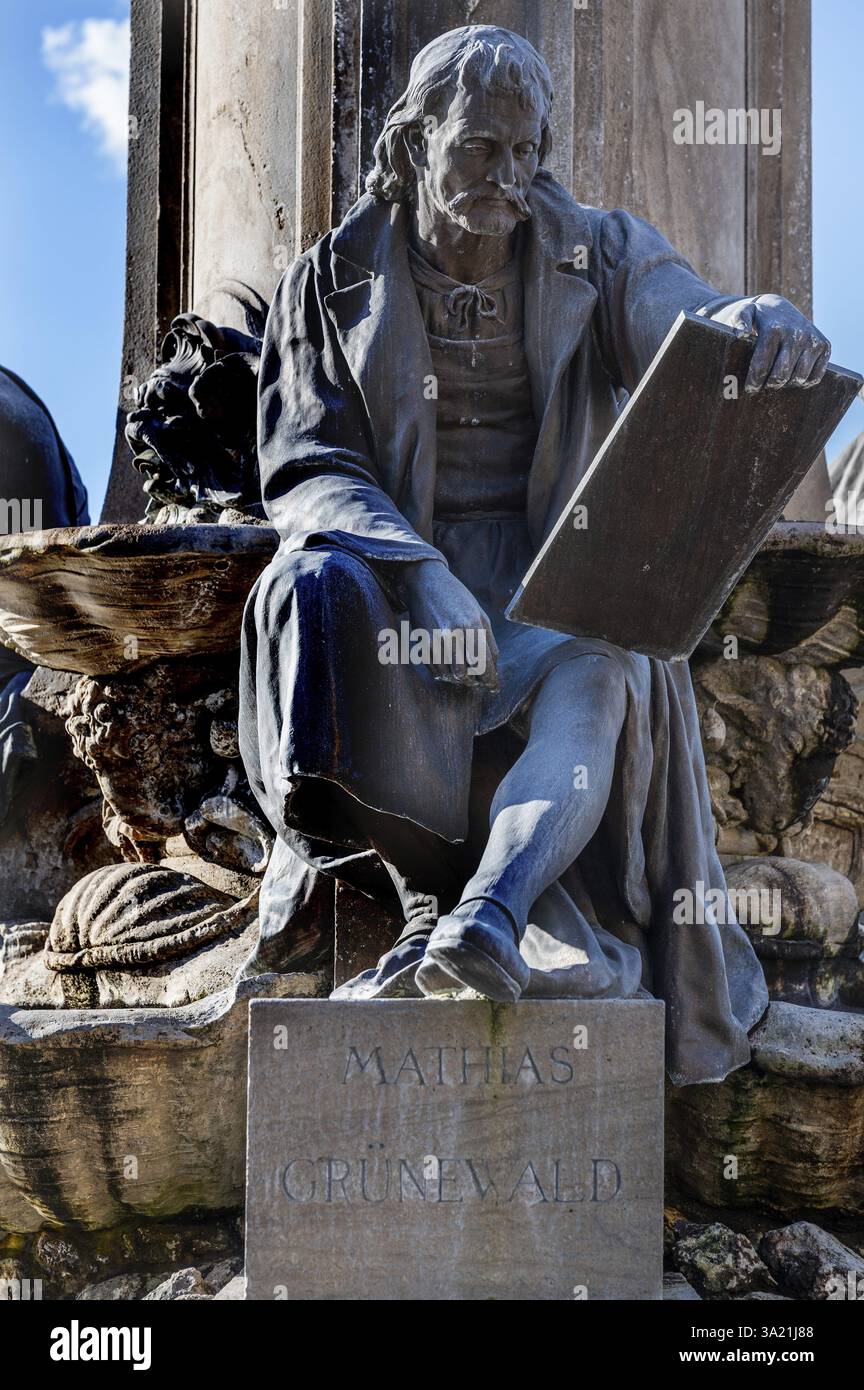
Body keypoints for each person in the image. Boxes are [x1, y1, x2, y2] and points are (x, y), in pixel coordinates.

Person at [239, 26, 830, 1085]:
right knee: (308, 588)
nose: (505, 179)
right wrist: (422, 582)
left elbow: (680, 319)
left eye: (523, 153)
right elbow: (307, 467)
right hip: (394, 568)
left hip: (552, 573)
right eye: (477, 150)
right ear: (415, 146)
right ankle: (420, 898)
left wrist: (743, 324)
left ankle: (492, 918)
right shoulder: (329, 283)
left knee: (606, 666)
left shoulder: (593, 249)